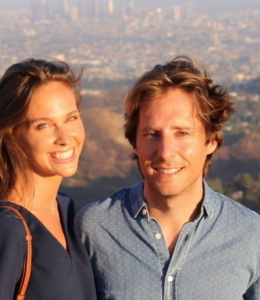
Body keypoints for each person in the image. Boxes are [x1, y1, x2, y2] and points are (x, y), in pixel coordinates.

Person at [75, 56, 260, 300]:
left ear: (211, 142)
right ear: (134, 144)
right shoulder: (94, 228)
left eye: (182, 133)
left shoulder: (250, 236)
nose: (165, 152)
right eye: (152, 134)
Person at [0, 58, 97, 300]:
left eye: (71, 118)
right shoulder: (5, 229)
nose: (65, 137)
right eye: (44, 125)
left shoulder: (63, 208)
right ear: (13, 136)